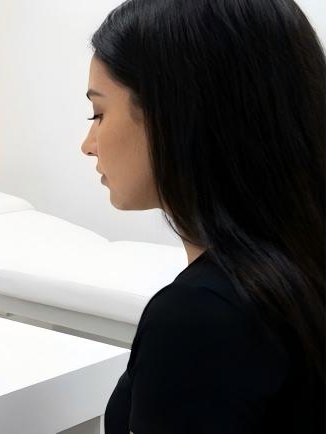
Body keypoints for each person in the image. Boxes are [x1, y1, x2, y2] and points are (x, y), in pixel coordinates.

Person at [81, 0, 325, 432]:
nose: (88, 143)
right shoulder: (301, 267)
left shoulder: (200, 318)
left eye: (98, 113)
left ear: (176, 117)